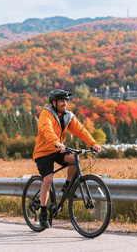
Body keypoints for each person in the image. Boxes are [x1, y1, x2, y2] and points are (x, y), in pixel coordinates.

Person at [33, 89, 102, 228]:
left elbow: (81, 131)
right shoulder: (46, 114)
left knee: (75, 160)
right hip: (44, 151)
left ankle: (66, 188)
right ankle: (43, 213)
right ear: (54, 103)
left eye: (66, 101)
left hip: (58, 149)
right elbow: (47, 130)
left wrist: (93, 143)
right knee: (48, 179)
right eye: (61, 101)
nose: (65, 104)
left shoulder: (67, 116)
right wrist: (57, 142)